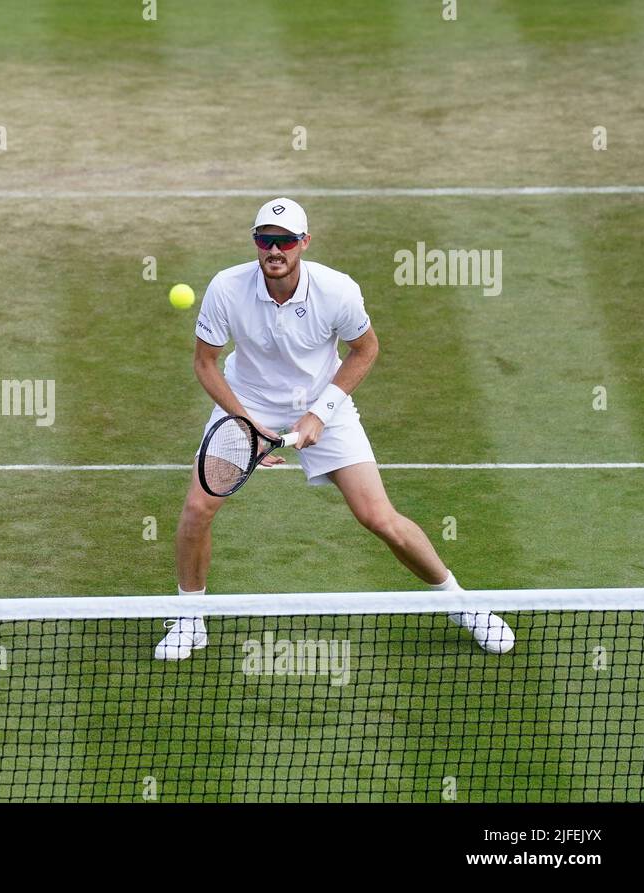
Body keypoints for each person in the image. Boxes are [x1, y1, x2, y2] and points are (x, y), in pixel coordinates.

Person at [155, 198, 514, 660]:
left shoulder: (337, 290)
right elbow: (205, 364)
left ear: (304, 242)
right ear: (256, 243)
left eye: (285, 240)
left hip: (325, 404)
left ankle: (465, 606)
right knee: (197, 508)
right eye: (266, 240)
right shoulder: (226, 288)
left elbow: (365, 350)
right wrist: (247, 425)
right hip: (248, 404)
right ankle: (189, 619)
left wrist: (320, 414)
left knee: (378, 518)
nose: (275, 249)